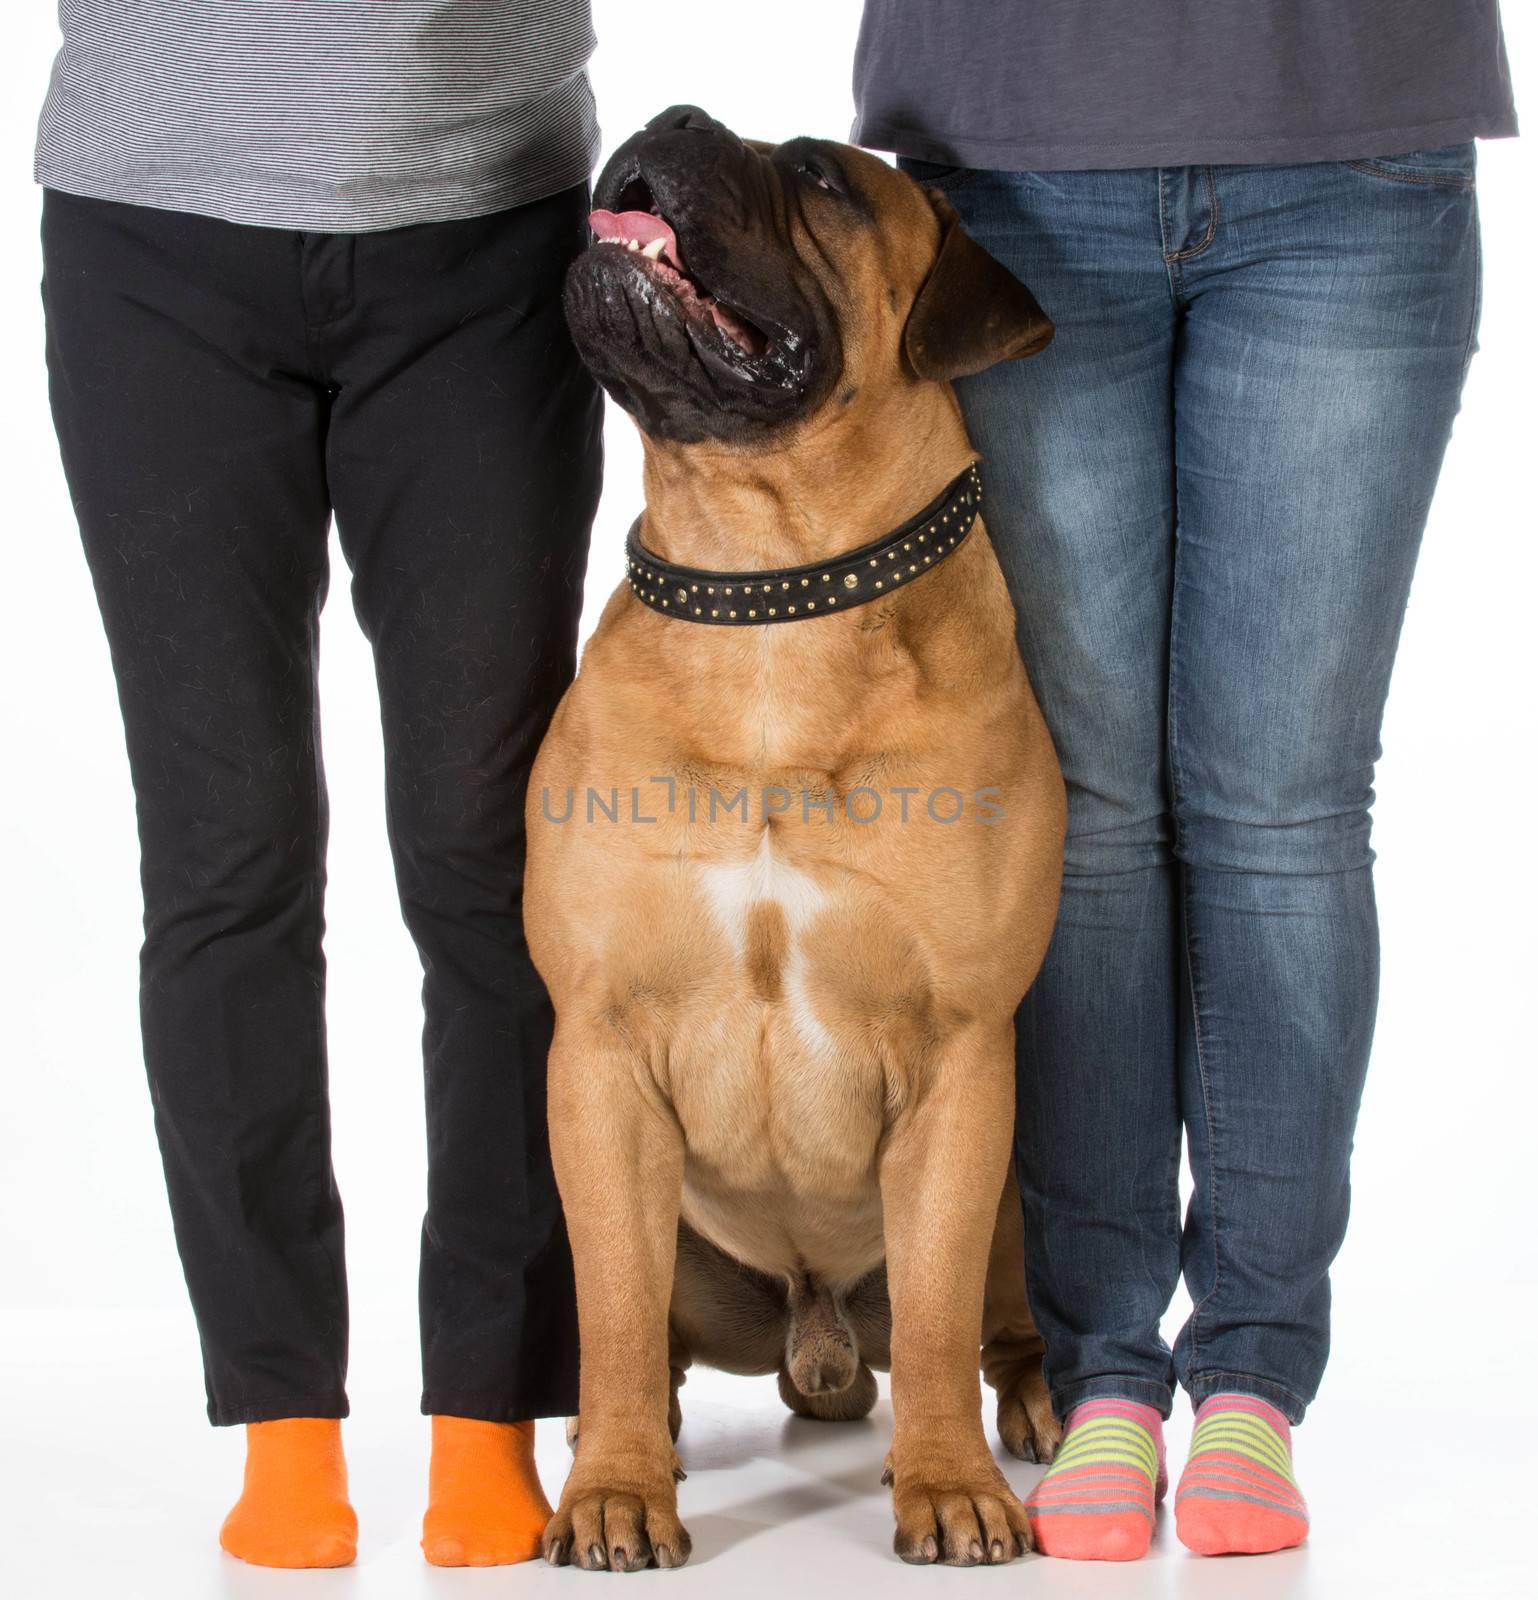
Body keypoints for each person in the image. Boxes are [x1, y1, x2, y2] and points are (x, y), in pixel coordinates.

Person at [854, 0, 1515, 1563]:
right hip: (1006, 164)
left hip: (1350, 162)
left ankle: (1252, 1381)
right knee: (1081, 812)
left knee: (1283, 809)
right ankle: (1099, 1376)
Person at [36, 0, 603, 1570]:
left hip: (486, 227)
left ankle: (487, 1410)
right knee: (228, 858)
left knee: (490, 863)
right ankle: (285, 1420)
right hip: (154, 232)